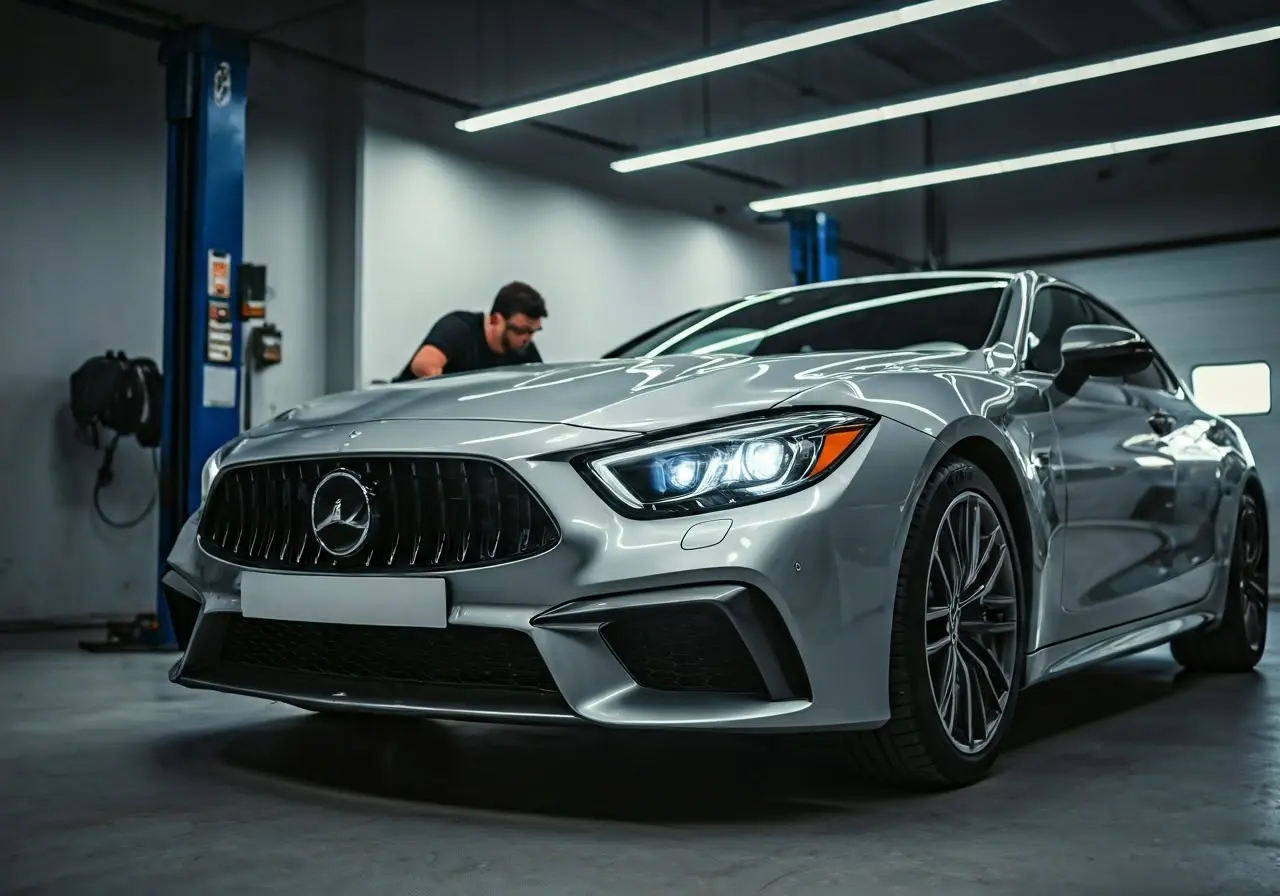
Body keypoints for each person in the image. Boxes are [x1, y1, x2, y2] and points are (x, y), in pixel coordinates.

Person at [391, 281, 547, 382]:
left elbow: (540, 384)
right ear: (495, 320)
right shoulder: (459, 328)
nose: (527, 338)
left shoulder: (523, 348)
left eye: (533, 332)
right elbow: (423, 365)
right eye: (520, 331)